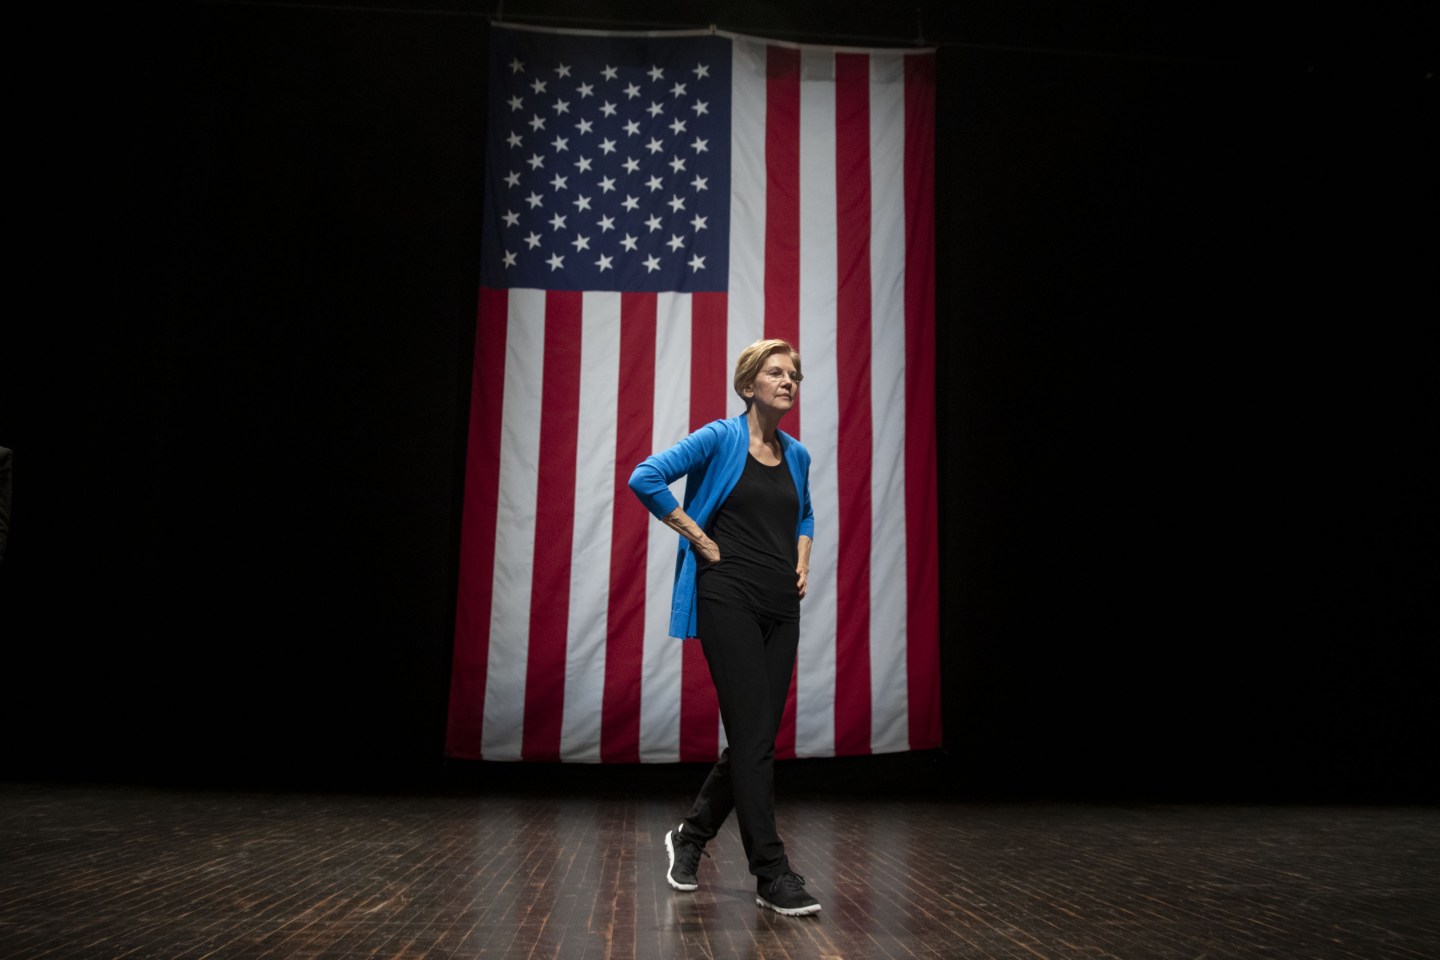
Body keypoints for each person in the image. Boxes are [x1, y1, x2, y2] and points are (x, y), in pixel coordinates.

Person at [628, 338, 821, 917]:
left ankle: (690, 837)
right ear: (748, 384)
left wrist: (803, 557)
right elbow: (646, 476)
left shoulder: (798, 455)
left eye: (794, 375)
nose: (788, 382)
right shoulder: (719, 437)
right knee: (755, 736)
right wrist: (700, 538)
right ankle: (771, 871)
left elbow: (805, 512)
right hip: (727, 596)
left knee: (754, 735)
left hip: (780, 605)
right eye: (776, 373)